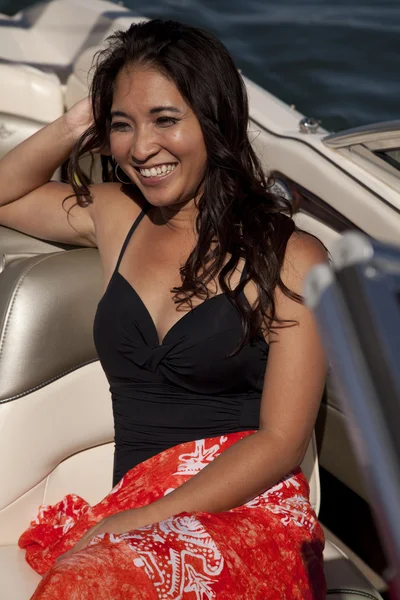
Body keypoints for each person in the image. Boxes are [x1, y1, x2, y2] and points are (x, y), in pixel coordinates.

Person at [0, 19, 328, 599]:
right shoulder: (115, 215)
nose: (141, 147)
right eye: (122, 125)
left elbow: (280, 441)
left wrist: (134, 521)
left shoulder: (294, 258)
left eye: (166, 120)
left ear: (215, 121)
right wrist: (81, 119)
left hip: (246, 516)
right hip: (135, 517)